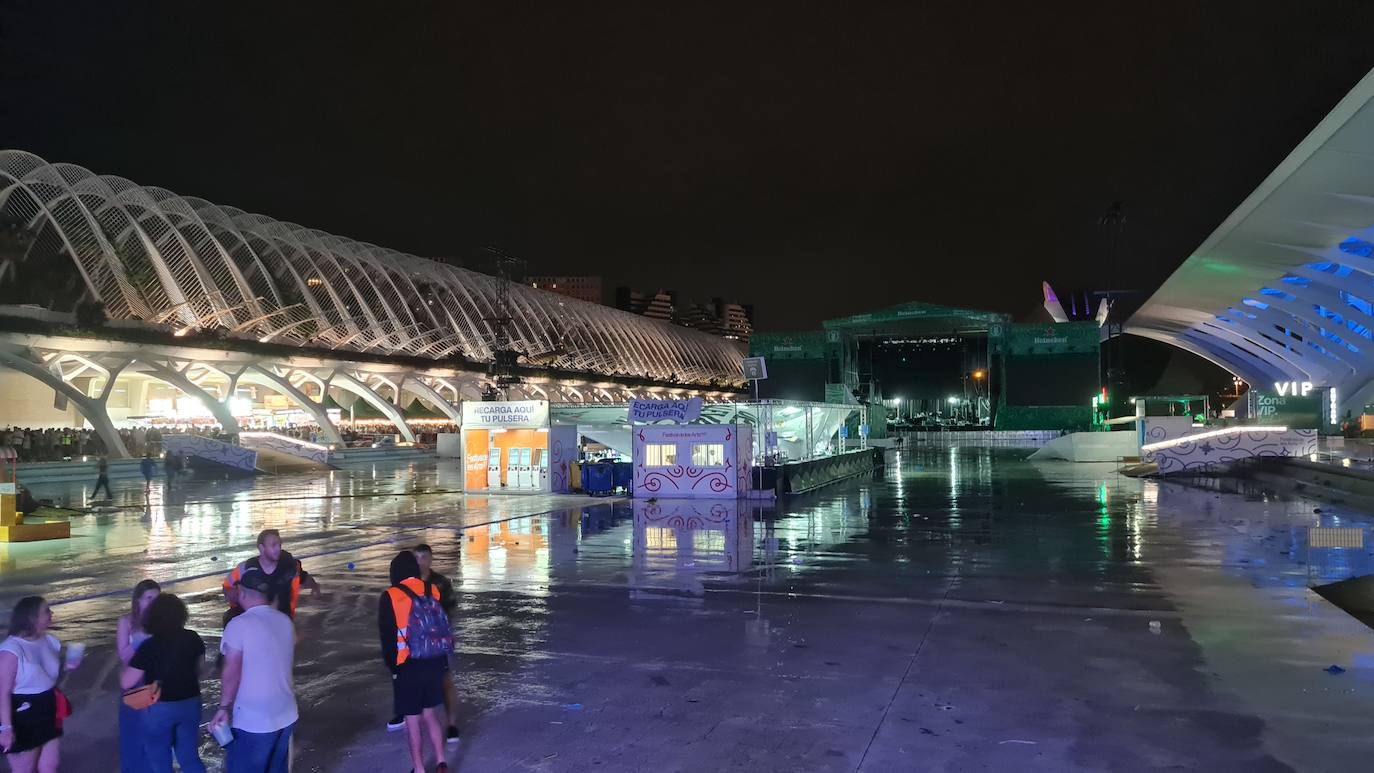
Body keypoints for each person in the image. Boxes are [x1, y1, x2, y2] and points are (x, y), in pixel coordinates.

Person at [210, 568, 297, 773]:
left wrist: (223, 707)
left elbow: (232, 671)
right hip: (286, 713)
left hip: (255, 719)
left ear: (241, 592)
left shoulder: (239, 624)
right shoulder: (284, 621)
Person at [379, 550, 453, 773]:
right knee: (430, 714)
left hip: (408, 665)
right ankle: (441, 763)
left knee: (412, 721)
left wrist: (393, 668)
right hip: (434, 661)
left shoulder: (391, 596)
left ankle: (419, 769)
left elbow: (388, 638)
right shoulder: (432, 589)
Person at [121, 594, 206, 773]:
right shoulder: (193, 638)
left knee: (159, 759)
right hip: (190, 702)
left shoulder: (149, 646)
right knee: (189, 757)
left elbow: (126, 681)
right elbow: (200, 670)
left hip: (160, 706)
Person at [0, 596, 82, 772]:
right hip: (22, 713)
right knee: (25, 769)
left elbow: (46, 678)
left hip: (48, 708)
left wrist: (68, 668)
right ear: (32, 617)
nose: (51, 613)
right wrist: (6, 728)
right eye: (46, 611)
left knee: (50, 764)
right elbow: (2, 692)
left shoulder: (49, 640)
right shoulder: (12, 650)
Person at [391, 544, 460, 744]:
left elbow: (450, 611)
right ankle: (403, 712)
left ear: (431, 559)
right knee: (402, 678)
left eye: (424, 557)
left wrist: (440, 632)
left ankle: (452, 724)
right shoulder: (402, 585)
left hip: (435, 642)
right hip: (410, 643)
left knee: (445, 681)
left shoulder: (440, 584)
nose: (420, 562)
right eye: (417, 558)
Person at [222, 529, 321, 622]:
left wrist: (315, 587)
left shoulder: (290, 567)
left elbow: (304, 577)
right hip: (254, 621)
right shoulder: (245, 569)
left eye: (279, 545)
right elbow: (227, 587)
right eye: (273, 545)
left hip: (283, 620)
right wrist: (234, 596)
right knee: (229, 617)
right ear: (261, 548)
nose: (278, 548)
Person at [116, 580, 161, 773]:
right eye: (148, 598)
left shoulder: (162, 622)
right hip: (134, 682)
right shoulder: (126, 622)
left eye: (157, 599)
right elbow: (123, 655)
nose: (153, 603)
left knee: (156, 731)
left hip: (156, 681)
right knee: (133, 733)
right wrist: (141, 639)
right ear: (138, 600)